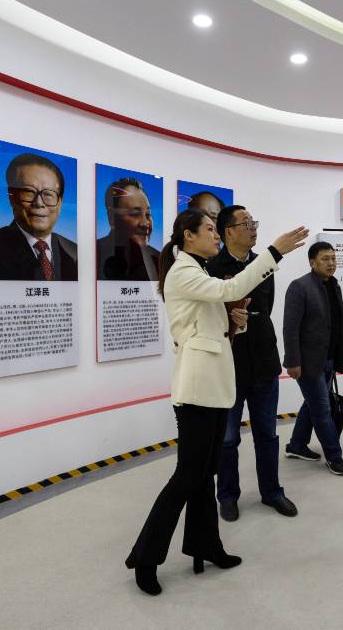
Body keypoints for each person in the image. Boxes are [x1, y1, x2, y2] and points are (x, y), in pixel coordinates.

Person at [125, 209, 307, 596]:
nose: (216, 236)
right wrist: (274, 251)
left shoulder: (198, 270)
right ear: (188, 236)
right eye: (209, 230)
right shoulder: (184, 271)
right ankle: (145, 556)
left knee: (204, 472)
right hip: (197, 389)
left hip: (212, 386)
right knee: (187, 476)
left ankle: (206, 545)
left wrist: (233, 323)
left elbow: (210, 325)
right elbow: (230, 289)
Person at [207, 205, 298, 522]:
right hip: (228, 366)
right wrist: (228, 317)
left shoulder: (263, 263)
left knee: (267, 434)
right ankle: (227, 496)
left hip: (263, 361)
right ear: (228, 232)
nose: (253, 228)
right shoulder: (211, 267)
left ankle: (272, 492)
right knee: (227, 439)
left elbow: (265, 308)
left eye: (253, 222)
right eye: (246, 224)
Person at [282, 241, 343, 476]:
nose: (331, 263)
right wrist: (292, 361)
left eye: (333, 258)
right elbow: (290, 329)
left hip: (329, 359)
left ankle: (297, 445)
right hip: (308, 362)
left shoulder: (333, 285)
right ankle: (334, 456)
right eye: (325, 259)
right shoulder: (299, 287)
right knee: (321, 409)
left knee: (312, 404)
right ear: (312, 262)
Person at [0, 153, 77, 281]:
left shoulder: (74, 252)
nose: (39, 203)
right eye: (29, 192)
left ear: (60, 202)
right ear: (12, 197)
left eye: (48, 194)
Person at [96, 177, 159, 281]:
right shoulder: (94, 253)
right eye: (135, 214)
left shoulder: (157, 259)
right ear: (112, 217)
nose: (145, 223)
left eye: (148, 214)